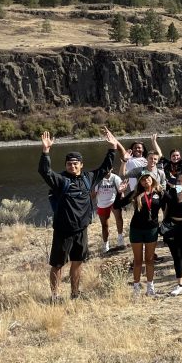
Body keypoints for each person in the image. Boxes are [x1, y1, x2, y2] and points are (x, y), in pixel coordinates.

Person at [38, 128, 119, 301]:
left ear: (81, 164)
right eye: (69, 164)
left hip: (81, 230)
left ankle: (75, 294)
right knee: (57, 264)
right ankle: (55, 296)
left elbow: (105, 167)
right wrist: (45, 152)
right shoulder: (60, 181)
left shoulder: (88, 178)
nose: (72, 166)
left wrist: (112, 148)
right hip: (63, 230)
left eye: (76, 164)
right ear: (66, 165)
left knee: (77, 262)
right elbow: (45, 172)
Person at [115, 172, 165, 296]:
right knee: (138, 261)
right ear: (140, 182)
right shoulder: (135, 193)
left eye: (147, 178)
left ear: (152, 179)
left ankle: (150, 288)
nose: (145, 181)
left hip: (152, 230)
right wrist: (119, 192)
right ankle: (136, 289)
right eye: (142, 179)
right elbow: (117, 205)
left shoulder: (160, 193)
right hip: (136, 230)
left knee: (149, 260)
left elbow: (169, 206)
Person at [91, 166, 123, 253]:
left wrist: (122, 193)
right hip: (102, 203)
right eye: (105, 169)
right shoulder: (99, 179)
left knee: (119, 218)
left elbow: (121, 190)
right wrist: (92, 191)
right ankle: (106, 244)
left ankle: (120, 239)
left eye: (109, 169)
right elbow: (92, 196)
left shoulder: (115, 178)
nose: (107, 171)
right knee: (104, 225)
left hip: (113, 201)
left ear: (112, 169)